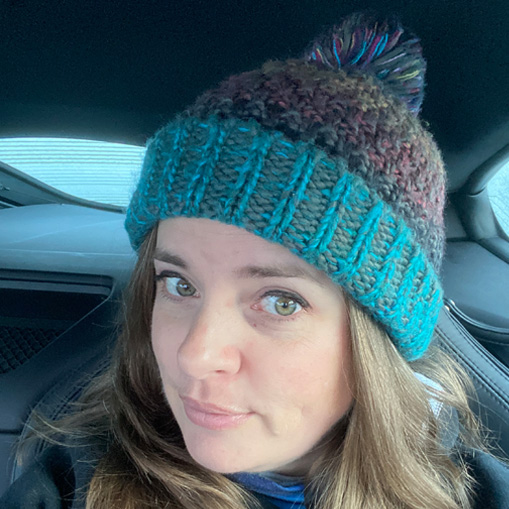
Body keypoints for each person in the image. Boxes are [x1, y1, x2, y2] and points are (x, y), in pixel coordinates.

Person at [1, 11, 508, 509]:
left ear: (379, 336)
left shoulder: (475, 494)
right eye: (178, 285)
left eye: (281, 301)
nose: (194, 356)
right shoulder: (73, 484)